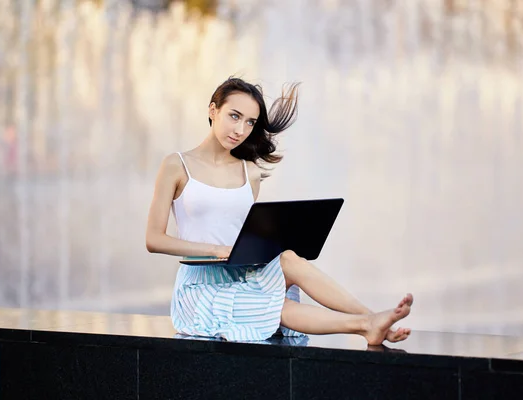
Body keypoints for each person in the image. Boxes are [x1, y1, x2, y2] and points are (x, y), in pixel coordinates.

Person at [145, 77, 413, 345]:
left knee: (288, 258)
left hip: (242, 273)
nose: (240, 129)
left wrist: (267, 241)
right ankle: (367, 325)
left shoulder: (249, 172)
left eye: (250, 122)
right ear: (213, 110)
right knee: (271, 305)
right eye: (234, 116)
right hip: (199, 290)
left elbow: (247, 231)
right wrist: (215, 249)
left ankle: (373, 318)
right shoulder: (176, 165)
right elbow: (154, 240)